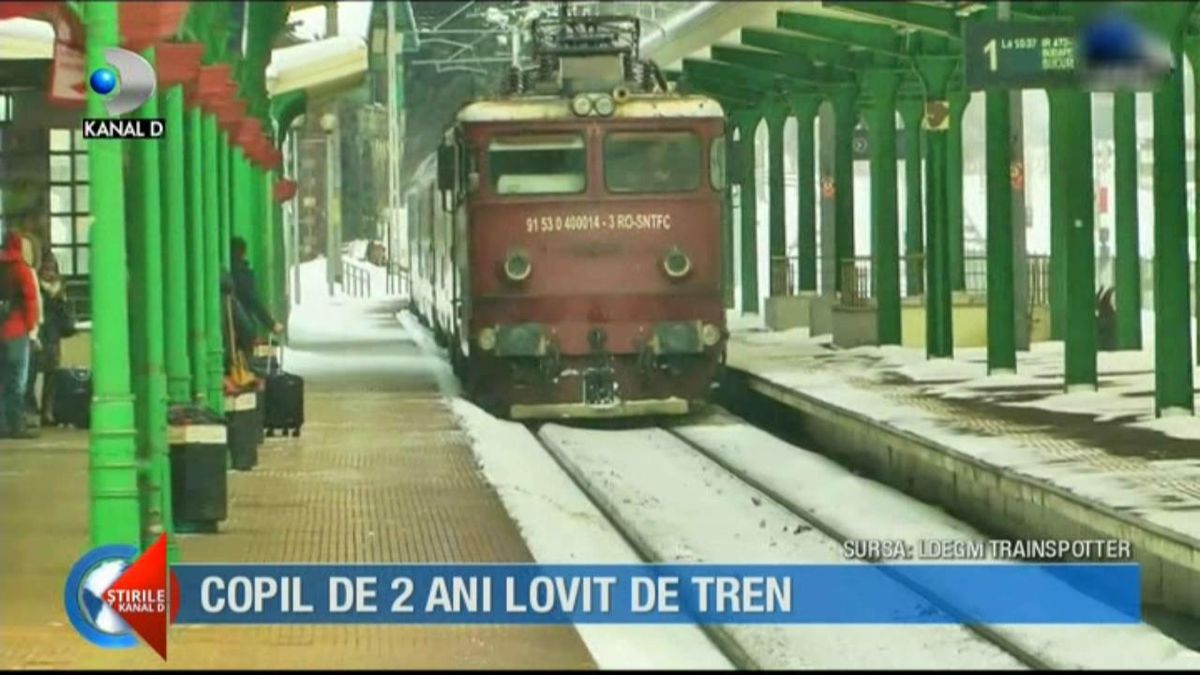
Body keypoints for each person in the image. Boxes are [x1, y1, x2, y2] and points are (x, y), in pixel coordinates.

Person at [0, 231, 41, 439]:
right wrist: (31, 328)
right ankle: (16, 425)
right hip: (16, 330)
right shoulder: (22, 269)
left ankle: (2, 425)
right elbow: (31, 301)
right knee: (17, 381)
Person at [33, 250, 72, 425]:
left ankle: (47, 410)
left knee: (52, 373)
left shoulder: (59, 288)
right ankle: (35, 408)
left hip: (53, 333)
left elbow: (64, 311)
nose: (49, 273)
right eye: (46, 269)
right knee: (34, 372)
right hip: (40, 331)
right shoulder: (36, 286)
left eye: (52, 269)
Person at [230, 237, 283, 338]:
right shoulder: (242, 274)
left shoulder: (228, 271)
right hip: (242, 327)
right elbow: (253, 301)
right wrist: (271, 324)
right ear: (243, 253)